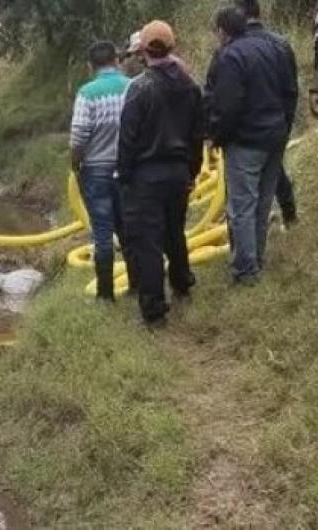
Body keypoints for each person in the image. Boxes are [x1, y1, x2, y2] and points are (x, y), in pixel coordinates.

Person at [118, 20, 204, 325]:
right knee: (174, 232)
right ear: (172, 46)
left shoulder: (139, 89)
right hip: (179, 172)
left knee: (148, 242)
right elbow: (197, 136)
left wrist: (124, 178)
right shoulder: (191, 87)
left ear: (142, 50)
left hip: (145, 177)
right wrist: (192, 172)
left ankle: (154, 310)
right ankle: (182, 283)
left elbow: (126, 140)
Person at [207, 6, 298, 284]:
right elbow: (290, 92)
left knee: (242, 207)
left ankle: (246, 270)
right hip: (275, 136)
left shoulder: (230, 56)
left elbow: (228, 106)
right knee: (262, 203)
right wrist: (284, 128)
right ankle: (256, 259)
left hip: (246, 141)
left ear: (223, 31)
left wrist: (218, 137)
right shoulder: (277, 46)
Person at [70, 41, 132, 301]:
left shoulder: (88, 93)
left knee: (103, 233)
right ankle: (137, 283)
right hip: (129, 170)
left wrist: (75, 164)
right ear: (117, 60)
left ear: (90, 65)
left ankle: (105, 294)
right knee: (129, 228)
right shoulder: (133, 86)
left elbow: (79, 136)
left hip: (96, 171)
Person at [233, 0, 299, 228]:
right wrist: (286, 124)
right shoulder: (282, 44)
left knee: (250, 188)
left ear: (239, 13)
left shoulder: (235, 47)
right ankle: (288, 213)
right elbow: (291, 90)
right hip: (277, 123)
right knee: (274, 168)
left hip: (248, 130)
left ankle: (250, 246)